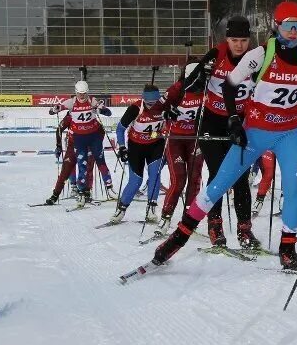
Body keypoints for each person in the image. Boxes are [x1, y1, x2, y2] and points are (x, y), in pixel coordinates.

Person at [150, 1, 297, 268]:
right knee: (219, 183)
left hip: (289, 132)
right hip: (254, 132)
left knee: (292, 188)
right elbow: (229, 86)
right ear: (277, 27)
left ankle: (287, 249)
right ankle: (179, 237)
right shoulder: (260, 53)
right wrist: (234, 120)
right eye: (288, 26)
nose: (293, 32)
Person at [180, 15, 263, 250]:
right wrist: (201, 75)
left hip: (240, 124)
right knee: (218, 174)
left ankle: (244, 229)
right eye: (234, 39)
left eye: (244, 40)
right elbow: (187, 85)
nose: (239, 45)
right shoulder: (216, 54)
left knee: (240, 176)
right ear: (227, 39)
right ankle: (214, 225)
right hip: (212, 122)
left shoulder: (256, 58)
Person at [156, 64, 205, 235]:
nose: (198, 82)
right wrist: (167, 112)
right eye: (195, 79)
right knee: (178, 180)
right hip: (175, 138)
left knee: (195, 179)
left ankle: (189, 220)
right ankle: (165, 216)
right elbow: (157, 108)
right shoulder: (177, 88)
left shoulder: (208, 88)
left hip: (195, 139)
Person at [48, 81, 113, 205]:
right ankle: (55, 195)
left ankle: (86, 192)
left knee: (88, 168)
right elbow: (59, 129)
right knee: (66, 171)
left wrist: (98, 141)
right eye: (79, 93)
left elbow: (100, 128)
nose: (82, 96)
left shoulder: (90, 106)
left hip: (88, 144)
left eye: (84, 93)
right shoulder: (69, 116)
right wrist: (58, 146)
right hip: (73, 147)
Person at [109, 85, 166, 224]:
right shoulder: (135, 109)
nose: (152, 106)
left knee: (155, 175)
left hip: (156, 145)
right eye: (149, 103)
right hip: (136, 147)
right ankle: (121, 209)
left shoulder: (164, 107)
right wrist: (122, 148)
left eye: (155, 103)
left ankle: (151, 209)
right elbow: (120, 129)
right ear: (143, 100)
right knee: (136, 181)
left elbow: (171, 125)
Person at [252, 150, 277, 216]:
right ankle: (259, 200)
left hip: (284, 145)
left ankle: (285, 200)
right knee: (268, 173)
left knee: (287, 171)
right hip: (268, 146)